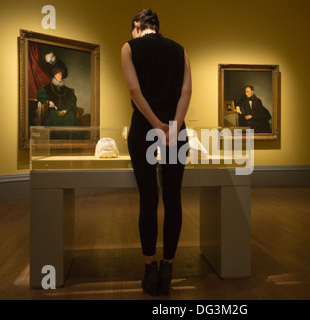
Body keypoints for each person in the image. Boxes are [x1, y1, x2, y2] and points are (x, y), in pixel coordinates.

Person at [121, 9, 192, 296]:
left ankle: (150, 270)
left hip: (143, 129)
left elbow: (134, 90)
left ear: (137, 26)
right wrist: (173, 126)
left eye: (133, 29)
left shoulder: (129, 47)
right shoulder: (179, 50)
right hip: (177, 130)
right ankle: (168, 268)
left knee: (148, 199)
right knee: (173, 198)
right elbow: (186, 91)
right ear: (157, 27)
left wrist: (155, 125)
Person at [37, 53, 79, 129]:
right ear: (54, 75)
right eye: (58, 74)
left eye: (61, 74)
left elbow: (73, 100)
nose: (60, 76)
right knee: (53, 117)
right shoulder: (47, 88)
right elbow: (40, 95)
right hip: (53, 113)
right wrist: (48, 102)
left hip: (66, 113)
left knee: (71, 117)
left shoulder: (67, 90)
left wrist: (66, 109)